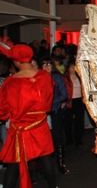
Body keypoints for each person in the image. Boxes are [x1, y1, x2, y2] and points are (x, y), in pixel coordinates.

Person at [0, 43, 56, 188]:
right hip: (39, 125)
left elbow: (3, 111)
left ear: (16, 61)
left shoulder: (9, 83)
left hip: (18, 129)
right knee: (45, 159)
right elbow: (48, 103)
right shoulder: (44, 76)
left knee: (13, 164)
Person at [39, 57, 70, 175]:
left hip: (54, 112)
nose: (47, 66)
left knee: (57, 138)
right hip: (40, 114)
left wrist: (50, 102)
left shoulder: (56, 77)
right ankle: (44, 167)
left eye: (49, 64)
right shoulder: (36, 78)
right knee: (43, 141)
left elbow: (64, 94)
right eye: (44, 64)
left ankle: (61, 164)